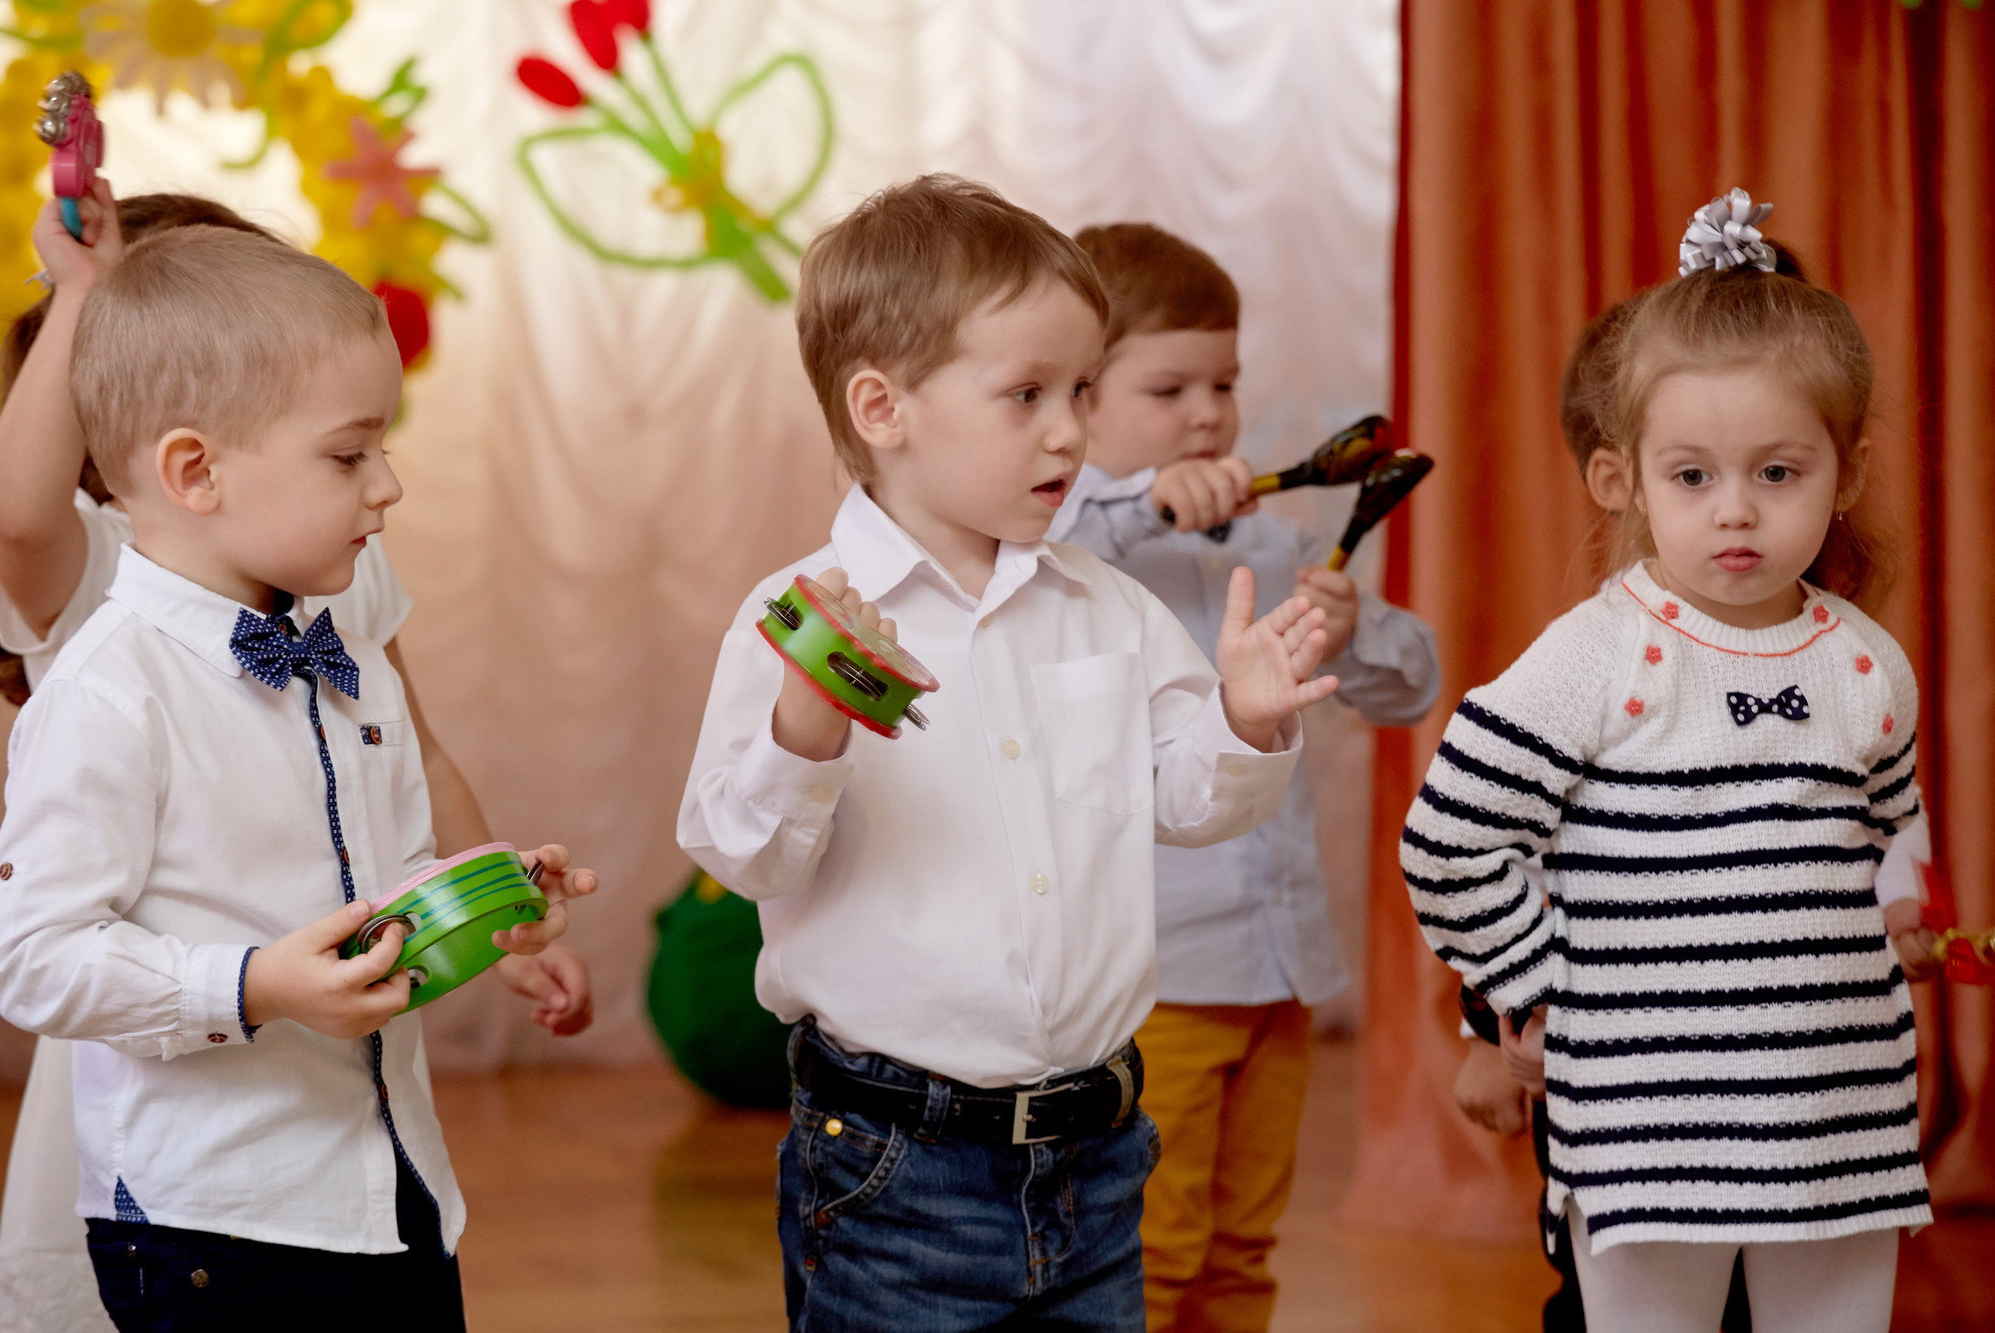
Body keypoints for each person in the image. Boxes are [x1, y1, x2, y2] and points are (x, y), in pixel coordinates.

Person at [679, 174, 1340, 1329]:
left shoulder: (1107, 606)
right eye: (1026, 393)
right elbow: (746, 859)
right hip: (894, 1168)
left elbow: (1188, 802)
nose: (1071, 430)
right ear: (882, 408)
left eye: (1080, 389)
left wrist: (1240, 718)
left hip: (1099, 1153)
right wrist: (806, 730)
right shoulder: (793, 619)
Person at [0, 182, 593, 1332]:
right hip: (217, 1219)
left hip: (389, 1190)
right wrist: (257, 984)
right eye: (349, 454)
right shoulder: (113, 685)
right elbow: (34, 961)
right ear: (195, 471)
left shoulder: (344, 650)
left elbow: (378, 869)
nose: (390, 486)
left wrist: (485, 891)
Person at [1402, 190, 1927, 1331]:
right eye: (1691, 477)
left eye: (1776, 474)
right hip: (1645, 1132)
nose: (1733, 512)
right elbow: (1447, 841)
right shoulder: (1596, 655)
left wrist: (1896, 914)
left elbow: (1882, 832)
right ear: (1621, 480)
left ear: (1845, 468)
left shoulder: (1867, 667)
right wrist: (1541, 985)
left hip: (1841, 1127)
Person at [1046, 221, 1439, 1331]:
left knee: (1241, 1247)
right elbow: (1067, 540)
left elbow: (1406, 687)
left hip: (1274, 971)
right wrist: (1145, 505)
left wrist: (1350, 629)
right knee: (1149, 1251)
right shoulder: (1060, 561)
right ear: (1073, 401)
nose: (1208, 412)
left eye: (1220, 381)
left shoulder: (1264, 548)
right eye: (1166, 386)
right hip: (1156, 982)